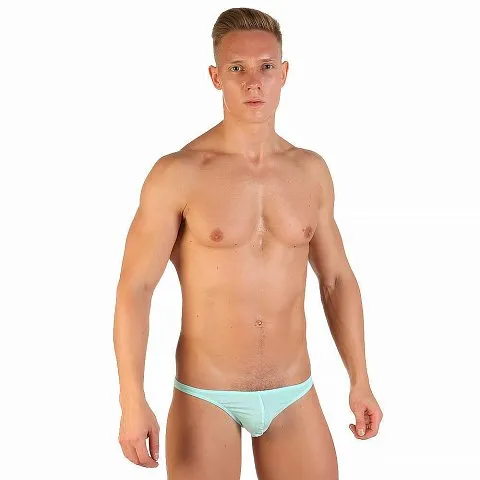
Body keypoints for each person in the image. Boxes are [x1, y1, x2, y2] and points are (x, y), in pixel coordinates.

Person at [113, 6, 383, 479]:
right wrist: (131, 401)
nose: (253, 82)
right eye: (237, 68)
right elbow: (136, 288)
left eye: (266, 66)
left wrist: (360, 379)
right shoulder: (178, 173)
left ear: (284, 73)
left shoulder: (310, 171)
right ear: (216, 77)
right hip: (206, 395)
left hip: (294, 390)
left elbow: (337, 279)